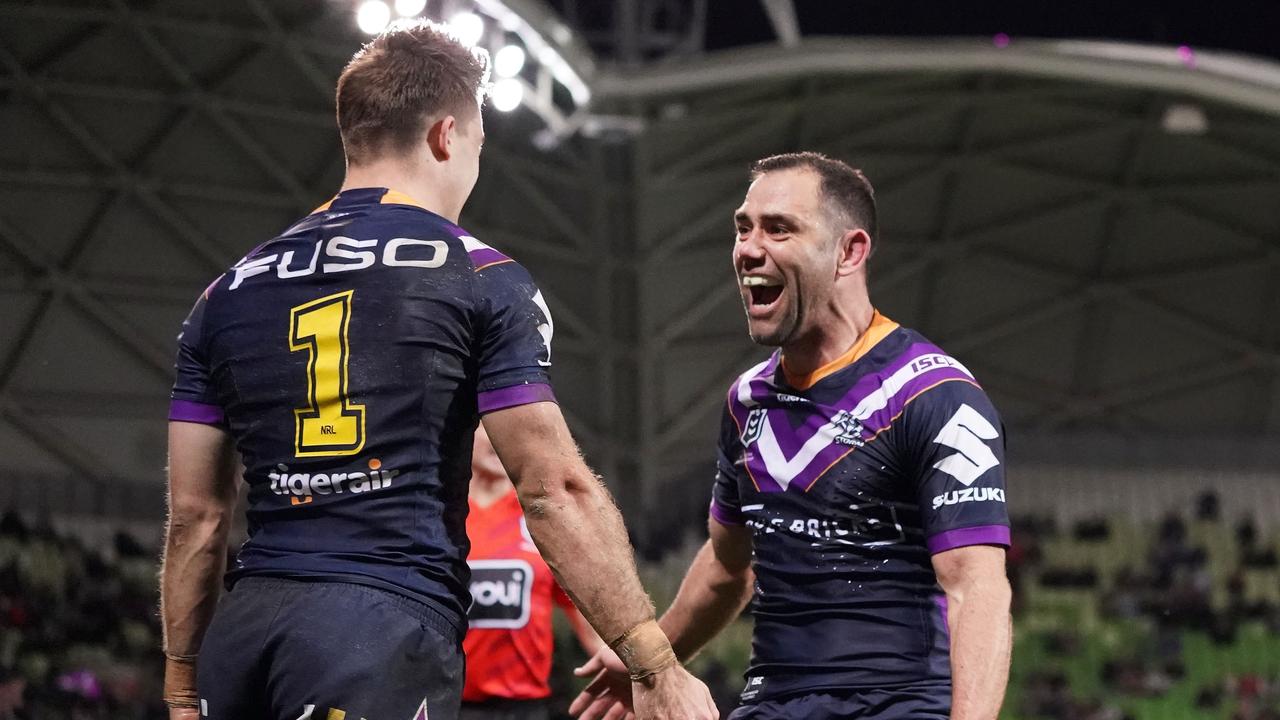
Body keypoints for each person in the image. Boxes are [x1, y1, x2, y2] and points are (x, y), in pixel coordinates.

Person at [159, 20, 716, 720]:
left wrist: (182, 687)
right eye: (478, 147)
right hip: (376, 634)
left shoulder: (224, 293)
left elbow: (196, 519)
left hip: (243, 638)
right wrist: (656, 665)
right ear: (447, 137)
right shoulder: (481, 276)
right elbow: (552, 489)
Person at [572, 153, 1012, 720]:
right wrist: (651, 661)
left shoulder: (935, 395)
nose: (749, 249)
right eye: (743, 228)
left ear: (849, 252)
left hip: (897, 705)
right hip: (772, 703)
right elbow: (729, 566)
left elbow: (977, 589)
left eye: (779, 229)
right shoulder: (746, 400)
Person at [462, 424, 603, 720]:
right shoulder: (438, 517)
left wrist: (645, 676)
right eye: (488, 425)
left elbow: (591, 627)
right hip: (447, 706)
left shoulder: (545, 519)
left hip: (523, 710)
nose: (503, 436)